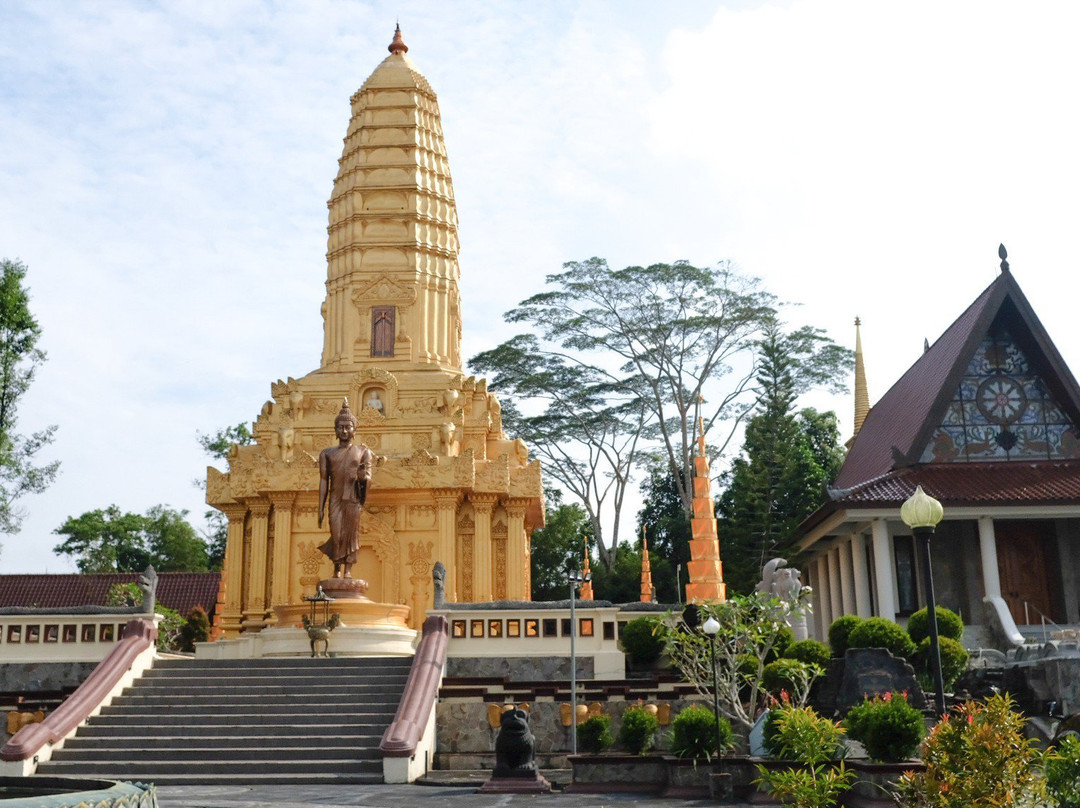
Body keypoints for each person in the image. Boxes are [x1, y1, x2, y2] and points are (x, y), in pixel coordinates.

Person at [317, 399, 373, 578]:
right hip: (335, 499)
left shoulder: (363, 452)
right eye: (340, 427)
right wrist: (320, 508)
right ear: (335, 430)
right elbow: (324, 480)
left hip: (353, 499)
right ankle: (336, 569)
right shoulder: (327, 453)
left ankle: (347, 569)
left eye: (348, 427)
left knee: (350, 536)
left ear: (354, 430)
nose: (344, 430)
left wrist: (364, 478)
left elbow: (367, 478)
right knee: (337, 534)